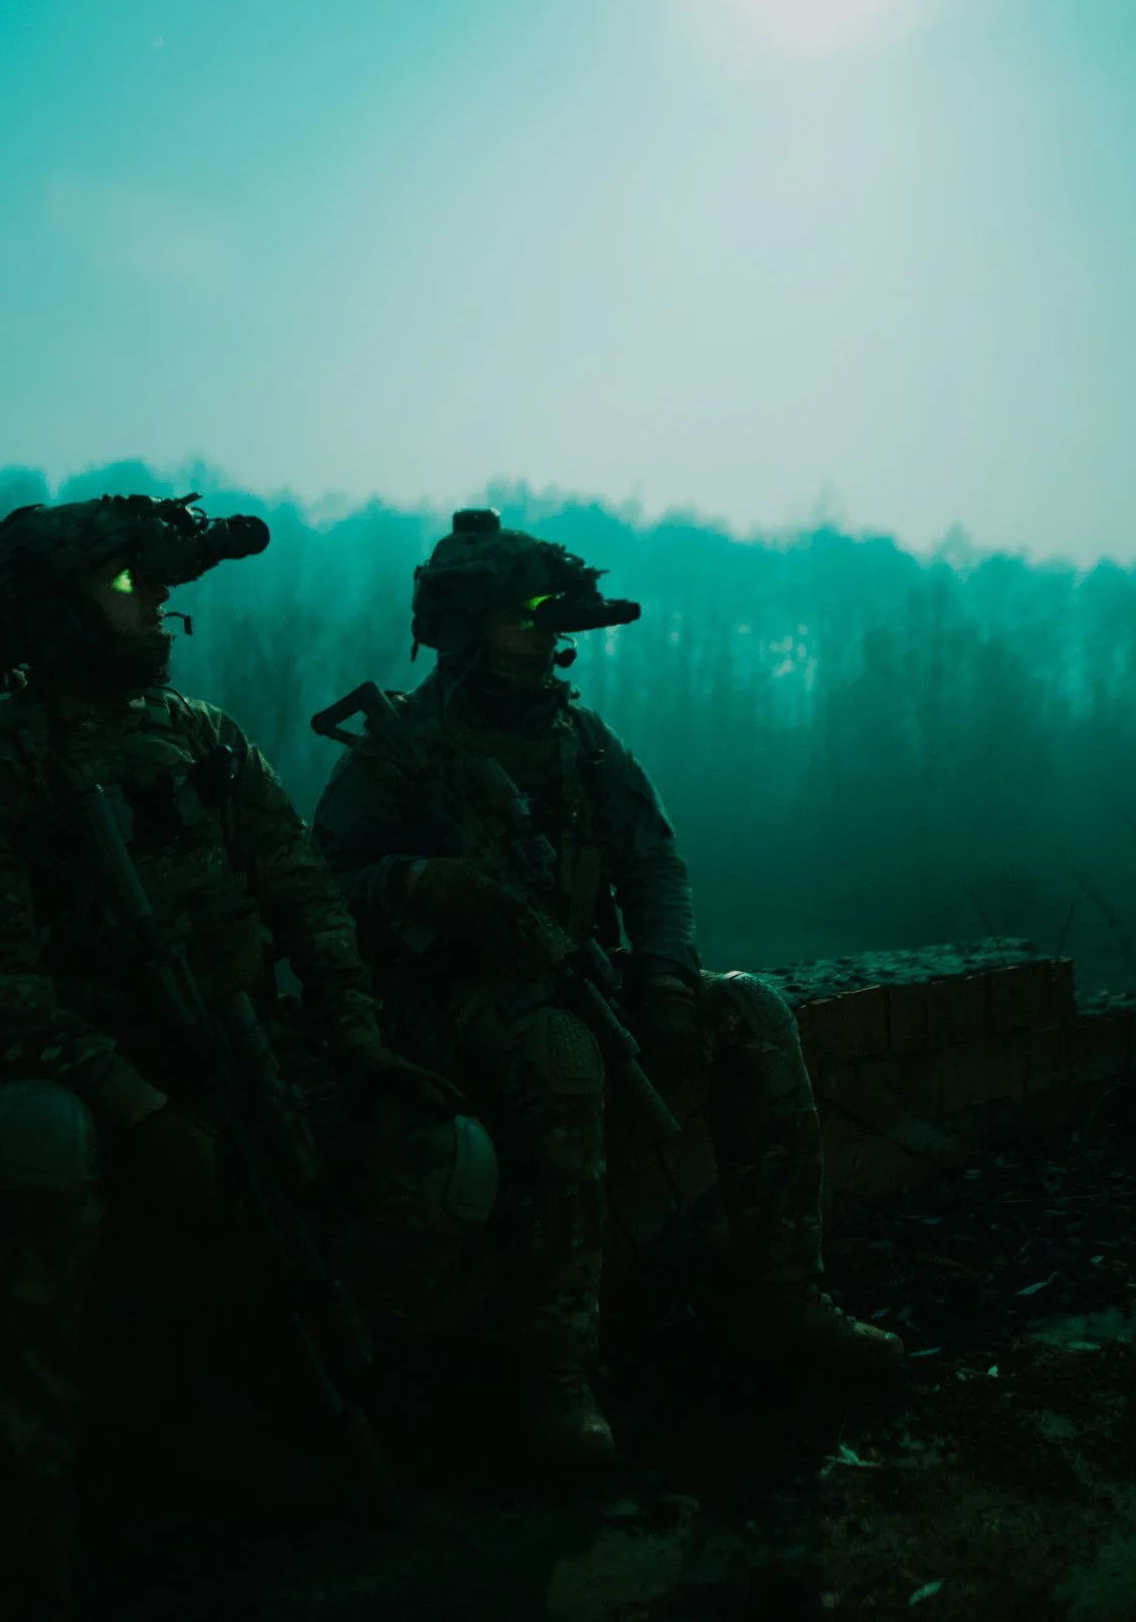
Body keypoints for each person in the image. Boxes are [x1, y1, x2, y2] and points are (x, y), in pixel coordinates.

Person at [0, 493, 492, 1618]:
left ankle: (256, 1423)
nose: (158, 602)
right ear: (54, 613)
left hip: (231, 1055)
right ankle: (25, 1527)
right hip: (90, 1078)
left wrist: (360, 1045)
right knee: (35, 1140)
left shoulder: (206, 738)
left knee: (441, 1152)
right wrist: (134, 1102)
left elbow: (306, 896)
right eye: (129, 587)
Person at [309, 509, 903, 1468]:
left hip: (573, 973)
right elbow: (317, 886)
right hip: (450, 1009)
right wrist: (418, 884)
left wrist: (665, 981)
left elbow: (655, 867)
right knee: (559, 1056)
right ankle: (553, 1367)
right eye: (526, 618)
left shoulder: (580, 738)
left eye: (555, 620)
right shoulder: (401, 746)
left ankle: (783, 1296)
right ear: (468, 626)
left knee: (752, 1010)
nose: (550, 636)